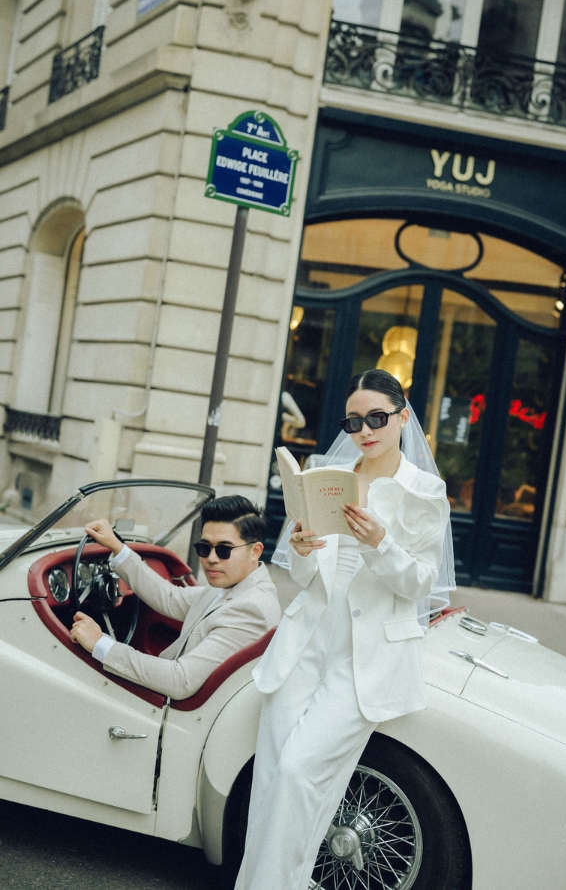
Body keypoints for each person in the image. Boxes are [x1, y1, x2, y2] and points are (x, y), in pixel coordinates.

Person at [234, 369, 453, 890]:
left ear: (403, 416)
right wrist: (304, 550)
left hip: (365, 657)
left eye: (377, 417)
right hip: (306, 642)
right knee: (270, 779)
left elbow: (422, 582)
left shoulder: (424, 491)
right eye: (354, 421)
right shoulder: (328, 475)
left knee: (297, 774)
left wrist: (380, 542)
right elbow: (305, 575)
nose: (365, 430)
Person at [69, 495, 280, 700]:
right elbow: (171, 598)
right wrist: (118, 548)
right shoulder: (236, 584)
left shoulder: (250, 608)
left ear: (255, 551)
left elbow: (180, 681)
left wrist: (100, 643)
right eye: (204, 548)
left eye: (224, 550)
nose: (211, 559)